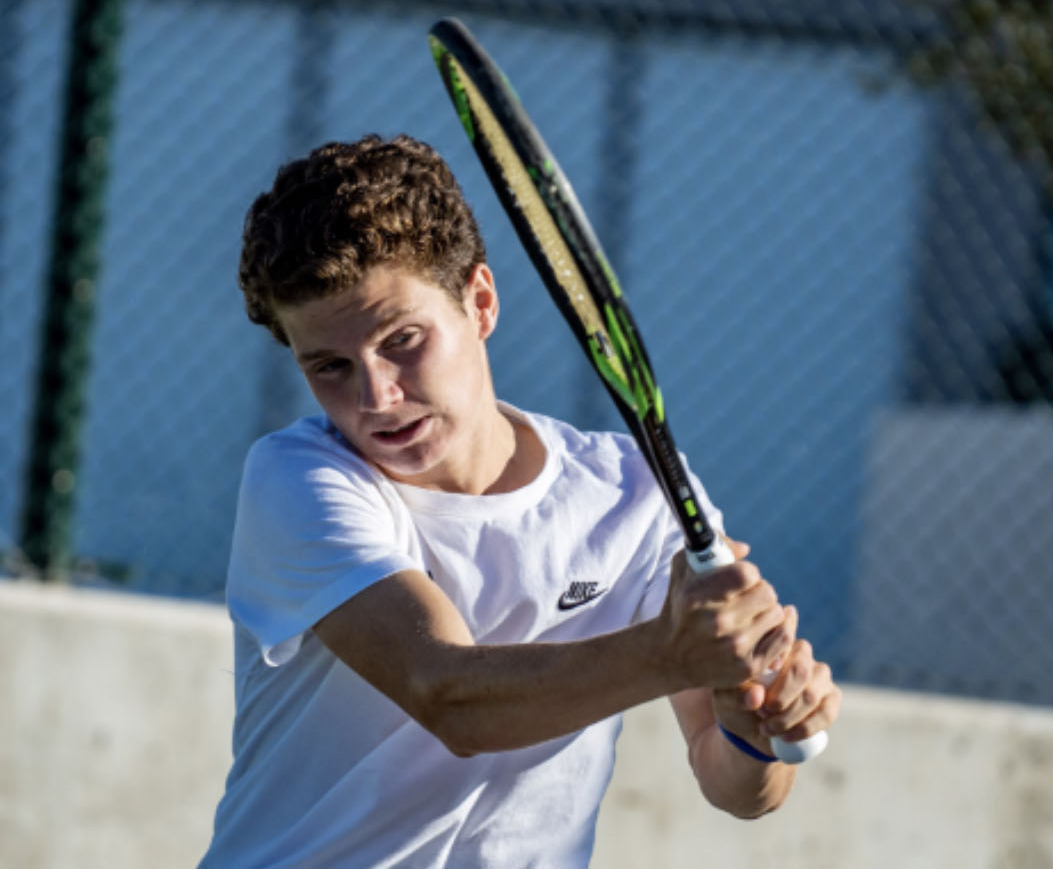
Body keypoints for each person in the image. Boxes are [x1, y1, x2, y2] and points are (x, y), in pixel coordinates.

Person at [200, 134, 840, 868]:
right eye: (330, 366)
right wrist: (672, 653)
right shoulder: (301, 480)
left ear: (480, 301)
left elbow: (738, 787)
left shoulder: (634, 494)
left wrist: (747, 730)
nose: (376, 396)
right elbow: (449, 693)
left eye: (403, 340)